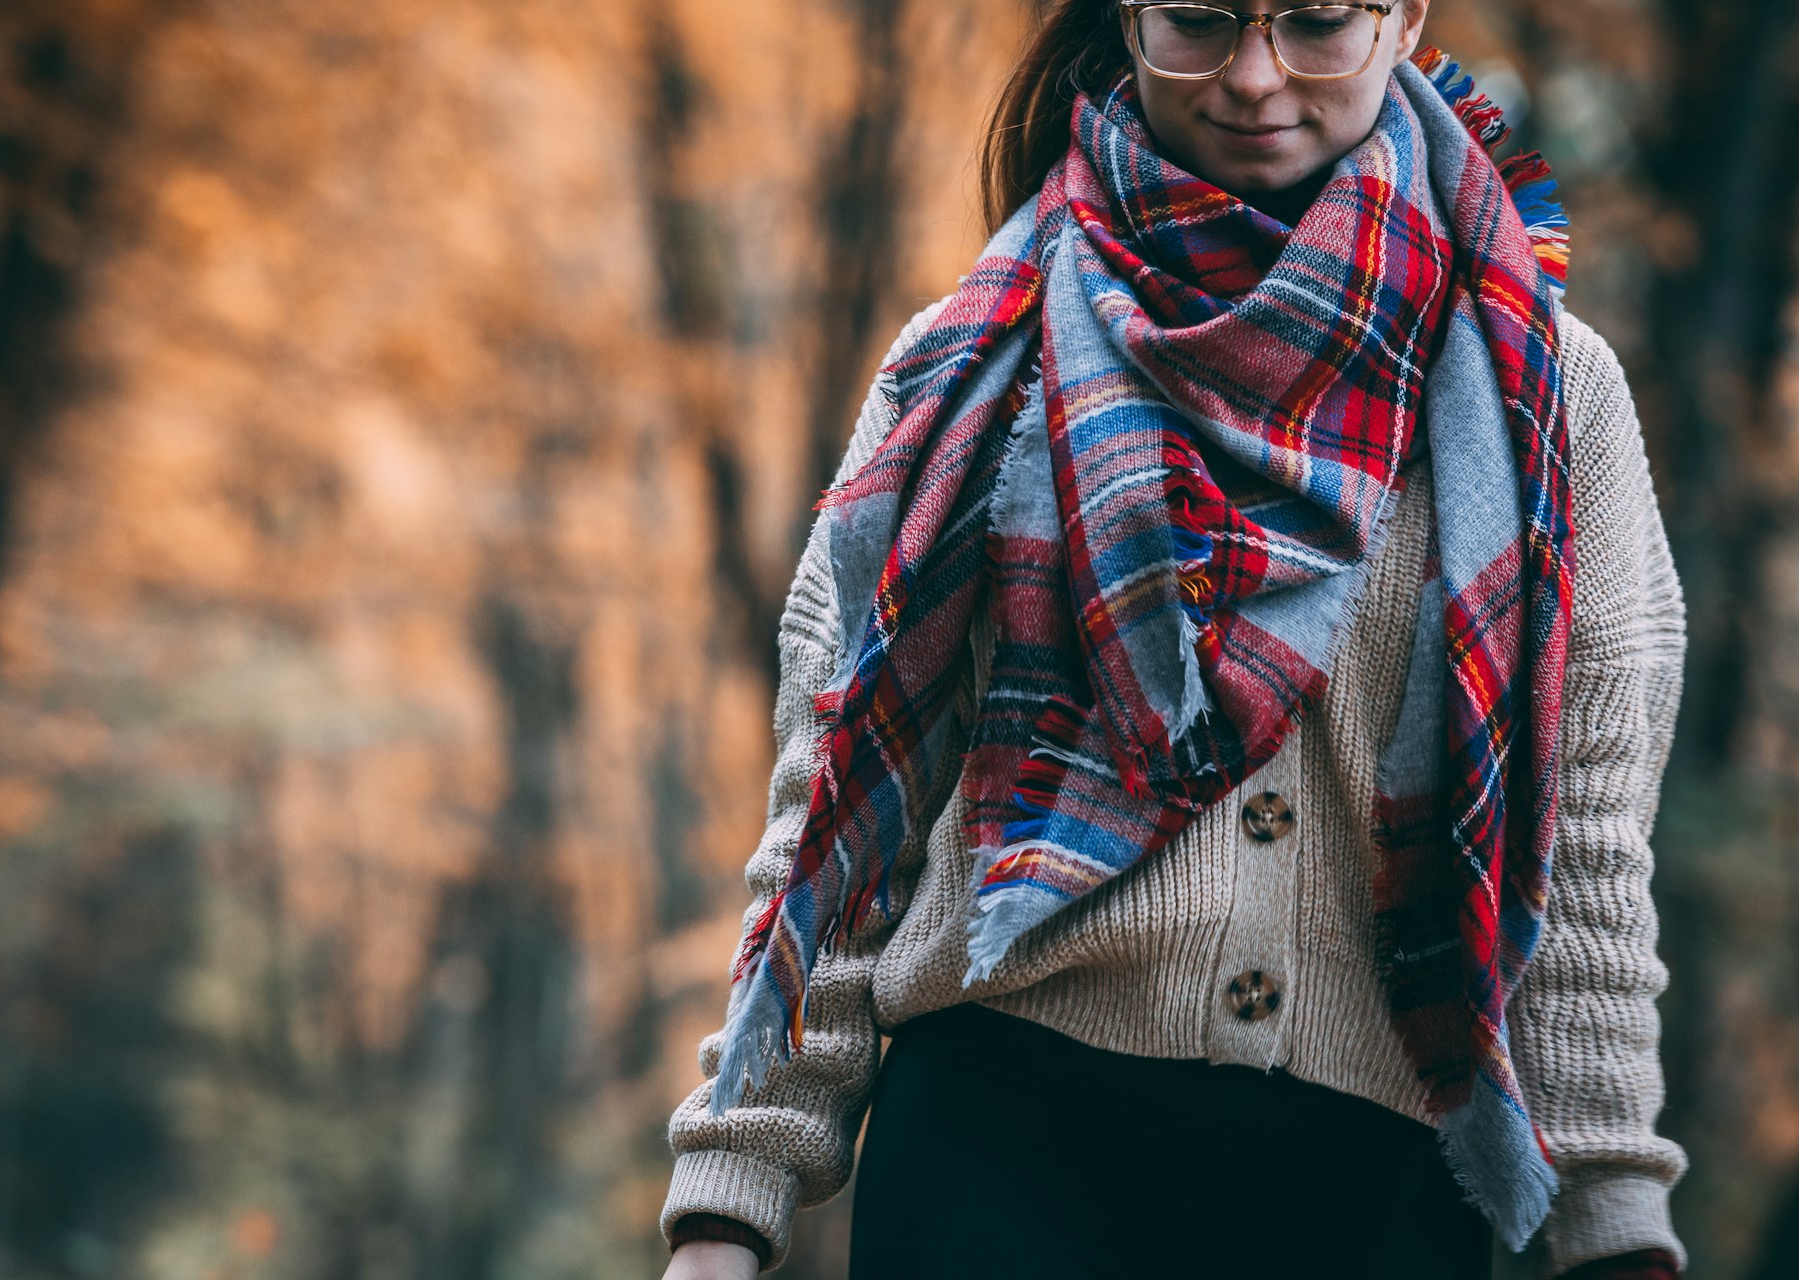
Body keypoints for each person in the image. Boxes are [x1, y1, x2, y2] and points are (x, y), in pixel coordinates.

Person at [659, 1, 1688, 1276]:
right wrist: (730, 1195)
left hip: (1372, 1191)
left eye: (1316, 22)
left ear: (1404, 15)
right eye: (1199, 21)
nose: (1256, 78)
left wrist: (1613, 1219)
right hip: (996, 1152)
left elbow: (1585, 836)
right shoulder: (973, 354)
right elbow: (841, 801)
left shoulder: (1547, 389)